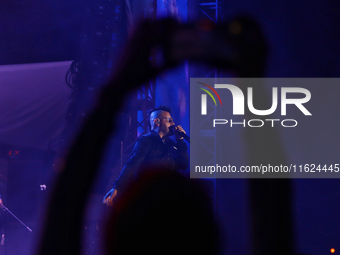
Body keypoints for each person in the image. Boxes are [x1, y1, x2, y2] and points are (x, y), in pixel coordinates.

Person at [103, 105, 189, 205]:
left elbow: (184, 165)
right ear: (157, 121)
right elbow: (132, 165)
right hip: (151, 198)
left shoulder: (170, 143)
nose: (173, 124)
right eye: (169, 120)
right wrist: (116, 187)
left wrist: (180, 141)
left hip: (169, 196)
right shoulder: (146, 141)